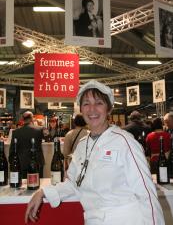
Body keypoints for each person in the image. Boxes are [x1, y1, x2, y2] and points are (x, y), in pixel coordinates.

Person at [25, 80, 165, 225]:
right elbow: (73, 183)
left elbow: (147, 194)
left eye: (98, 103)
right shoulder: (82, 145)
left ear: (109, 109)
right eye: (86, 103)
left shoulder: (125, 142)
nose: (92, 109)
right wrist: (43, 192)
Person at [9, 111, 45, 178]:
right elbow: (49, 138)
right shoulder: (39, 130)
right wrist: (42, 125)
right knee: (37, 184)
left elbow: (12, 149)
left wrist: (12, 163)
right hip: (37, 162)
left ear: (22, 119)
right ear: (32, 118)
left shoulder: (16, 132)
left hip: (22, 163)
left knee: (23, 185)